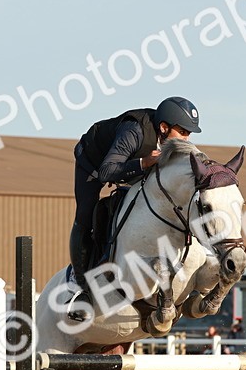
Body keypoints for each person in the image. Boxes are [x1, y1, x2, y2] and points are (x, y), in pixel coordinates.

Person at [67, 97, 202, 320]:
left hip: (130, 164)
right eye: (183, 132)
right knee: (85, 216)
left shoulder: (169, 140)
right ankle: (80, 289)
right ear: (164, 127)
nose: (186, 139)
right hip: (94, 162)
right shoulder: (134, 131)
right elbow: (107, 172)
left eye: (189, 134)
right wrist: (143, 163)